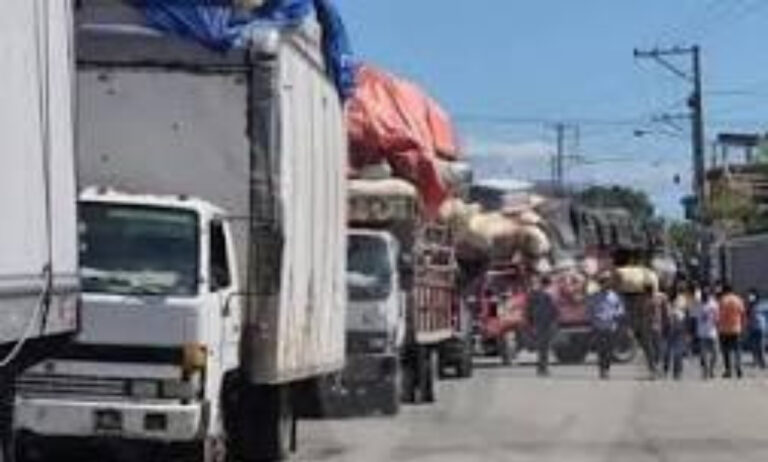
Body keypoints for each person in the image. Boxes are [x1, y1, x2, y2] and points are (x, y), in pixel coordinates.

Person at [588, 274, 625, 380]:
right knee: (601, 350)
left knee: (609, 350)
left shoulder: (614, 296)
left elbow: (620, 309)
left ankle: (607, 369)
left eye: (607, 282)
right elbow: (590, 309)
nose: (606, 284)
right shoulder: (595, 296)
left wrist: (616, 315)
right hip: (599, 326)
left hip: (611, 326)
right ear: (600, 284)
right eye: (603, 282)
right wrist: (594, 319)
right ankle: (602, 370)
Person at [527, 275, 559, 377]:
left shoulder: (534, 295)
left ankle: (541, 368)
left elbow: (529, 310)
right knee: (544, 348)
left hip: (539, 323)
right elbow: (554, 310)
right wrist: (555, 320)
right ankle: (542, 368)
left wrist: (531, 322)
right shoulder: (547, 295)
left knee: (542, 348)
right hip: (545, 323)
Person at [718, 284, 747, 379]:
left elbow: (719, 315)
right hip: (736, 328)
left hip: (724, 329)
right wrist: (743, 326)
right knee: (737, 350)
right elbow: (743, 314)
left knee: (726, 351)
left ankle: (728, 370)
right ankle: (739, 368)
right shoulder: (738, 300)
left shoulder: (722, 300)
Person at [693, 288, 719, 379]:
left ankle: (711, 369)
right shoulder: (697, 305)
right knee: (703, 354)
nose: (705, 296)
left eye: (706, 295)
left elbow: (717, 317)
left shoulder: (714, 304)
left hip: (712, 332)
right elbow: (694, 318)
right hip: (702, 333)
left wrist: (717, 323)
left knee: (715, 353)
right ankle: (706, 371)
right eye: (703, 295)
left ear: (709, 295)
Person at [746, 289, 766, 369]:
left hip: (760, 328)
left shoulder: (761, 305)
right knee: (753, 347)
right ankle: (755, 362)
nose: (750, 297)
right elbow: (748, 317)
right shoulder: (749, 306)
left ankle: (763, 363)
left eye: (752, 295)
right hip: (752, 328)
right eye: (749, 295)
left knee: (760, 346)